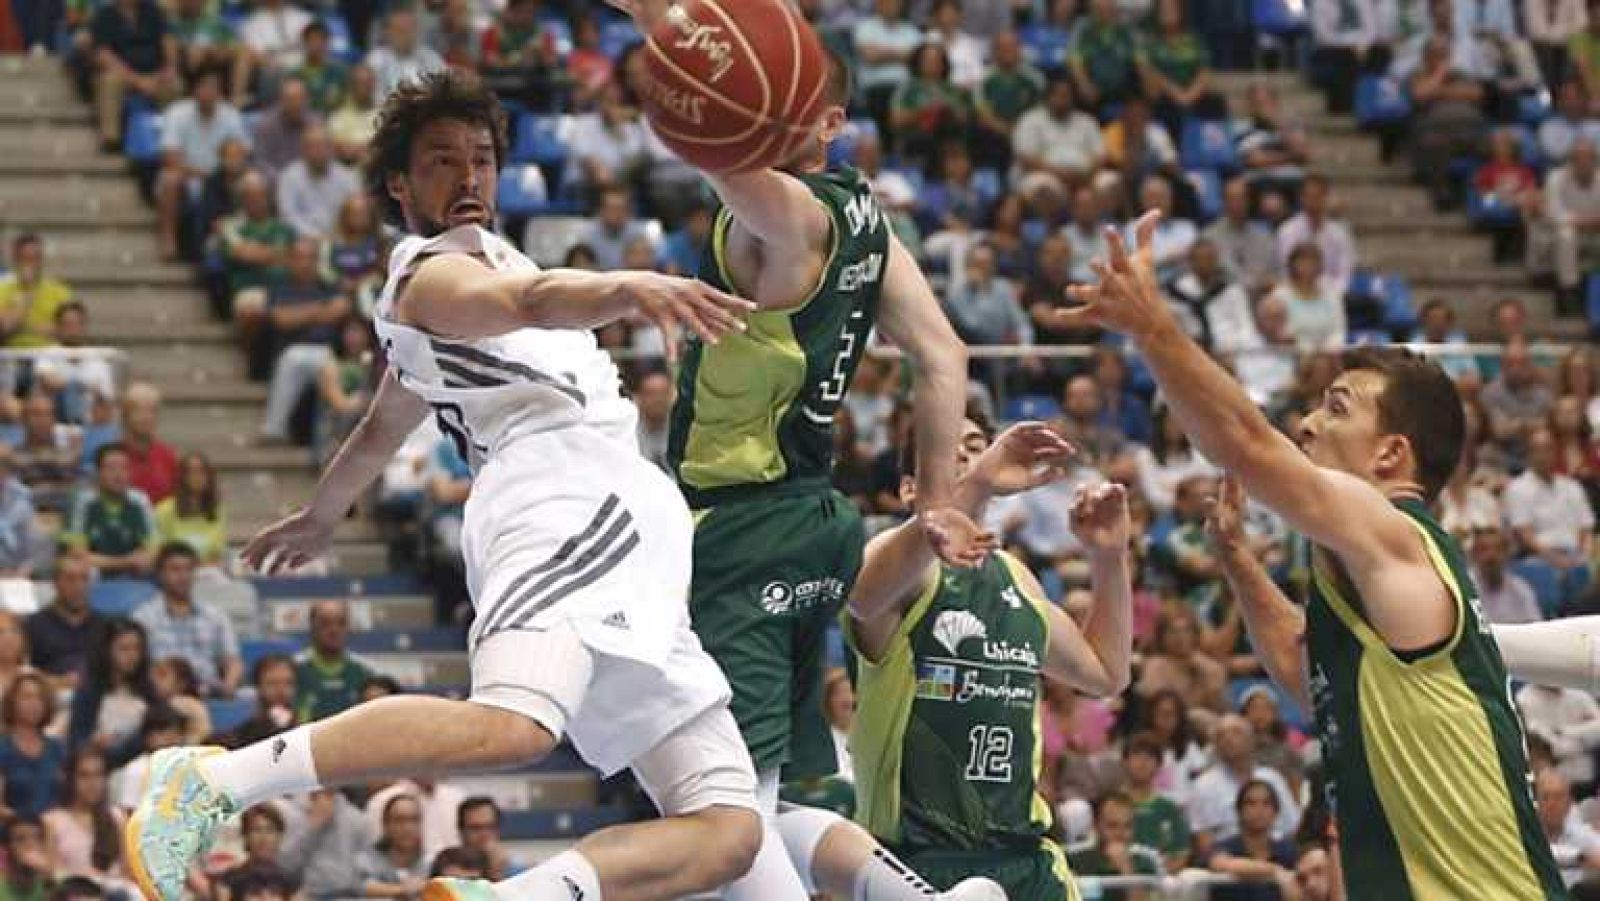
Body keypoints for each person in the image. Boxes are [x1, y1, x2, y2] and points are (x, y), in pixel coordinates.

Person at [126, 69, 768, 901]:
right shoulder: (430, 277)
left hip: (632, 533)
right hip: (563, 500)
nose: (469, 179)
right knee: (512, 724)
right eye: (441, 162)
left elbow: (382, 426)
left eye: (482, 159)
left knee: (727, 827)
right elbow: (530, 299)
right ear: (400, 183)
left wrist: (321, 515)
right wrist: (628, 285)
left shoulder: (473, 273)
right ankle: (216, 781)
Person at [601, 3, 998, 896]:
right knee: (768, 801)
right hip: (817, 523)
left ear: (825, 122)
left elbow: (720, 147)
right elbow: (945, 355)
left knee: (723, 814)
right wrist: (937, 502)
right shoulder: (867, 218)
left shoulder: (792, 220)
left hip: (742, 529)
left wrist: (682, 79)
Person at [1065, 214, 1566, 897]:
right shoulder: (1370, 579)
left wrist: (1153, 326)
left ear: (1391, 454)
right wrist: (1238, 558)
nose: (1307, 422)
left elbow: (1247, 439)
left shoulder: (1395, 527)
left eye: (1335, 408)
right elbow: (1307, 674)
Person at [843, 418, 1134, 899]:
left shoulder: (1016, 578)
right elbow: (862, 599)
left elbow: (1106, 672)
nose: (965, 456)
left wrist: (1108, 557)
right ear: (909, 488)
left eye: (976, 446)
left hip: (1024, 857)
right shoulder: (899, 568)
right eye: (946, 449)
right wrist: (975, 486)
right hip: (916, 863)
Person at [130, 544, 242, 698]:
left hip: (208, 691)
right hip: (163, 695)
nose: (183, 576)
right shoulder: (143, 618)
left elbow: (232, 660)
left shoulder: (215, 616)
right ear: (160, 574)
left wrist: (229, 686)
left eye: (189, 569)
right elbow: (137, 666)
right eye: (175, 569)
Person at [66, 619, 156, 768]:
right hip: (102, 766)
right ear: (106, 650)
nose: (132, 656)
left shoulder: (148, 690)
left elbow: (157, 729)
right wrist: (94, 743)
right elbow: (77, 739)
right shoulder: (90, 690)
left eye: (137, 648)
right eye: (124, 649)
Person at [66, 444, 157, 578]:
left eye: (124, 468)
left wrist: (142, 558)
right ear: (98, 472)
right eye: (111, 468)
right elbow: (77, 553)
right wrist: (126, 561)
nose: (118, 475)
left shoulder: (140, 500)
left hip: (133, 573)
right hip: (95, 575)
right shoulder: (83, 502)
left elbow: (153, 548)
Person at [1205, 779, 1301, 901]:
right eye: (1251, 803)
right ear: (1239, 810)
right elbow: (1220, 863)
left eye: (1266, 804)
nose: (1259, 810)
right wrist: (1274, 870)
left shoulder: (1288, 851)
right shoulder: (1224, 846)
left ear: (1276, 812)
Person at [1064, 793, 1164, 901]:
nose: (1121, 834)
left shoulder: (1146, 860)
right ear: (1096, 826)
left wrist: (1126, 868)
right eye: (1112, 826)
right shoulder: (1074, 859)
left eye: (1127, 826)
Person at [41, 749, 122, 880]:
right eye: (84, 775)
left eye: (99, 775)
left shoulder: (117, 817)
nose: (93, 783)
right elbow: (51, 874)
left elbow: (127, 874)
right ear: (71, 779)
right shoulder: (51, 821)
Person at [24, 554, 100, 687]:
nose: (79, 586)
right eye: (70, 579)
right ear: (55, 583)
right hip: (48, 698)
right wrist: (57, 682)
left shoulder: (105, 626)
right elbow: (21, 672)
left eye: (84, 579)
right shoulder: (33, 625)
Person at [294, 599, 372, 723]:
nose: (334, 630)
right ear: (312, 627)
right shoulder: (294, 669)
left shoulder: (364, 670)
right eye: (325, 623)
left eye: (341, 623)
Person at [0, 673, 66, 819]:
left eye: (39, 698)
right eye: (26, 697)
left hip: (55, 830)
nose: (34, 703)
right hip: (15, 831)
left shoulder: (57, 749)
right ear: (12, 702)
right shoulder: (3, 749)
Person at [0, 235, 75, 350]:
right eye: (25, 258)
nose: (30, 263)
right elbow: (5, 328)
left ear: (42, 260)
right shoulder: (3, 290)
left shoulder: (60, 292)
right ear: (15, 260)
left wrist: (25, 329)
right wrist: (27, 293)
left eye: (35, 258)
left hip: (49, 356)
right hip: (13, 355)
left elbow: (71, 332)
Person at [153, 453, 227, 568]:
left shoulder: (217, 510)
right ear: (182, 476)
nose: (197, 477)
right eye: (192, 472)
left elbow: (218, 553)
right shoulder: (164, 509)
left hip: (210, 572)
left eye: (202, 471)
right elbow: (159, 552)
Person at [119, 382, 179, 506]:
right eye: (138, 411)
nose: (146, 417)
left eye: (152, 411)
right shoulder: (112, 455)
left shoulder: (168, 456)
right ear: (125, 416)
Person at [357, 794, 429, 898]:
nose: (408, 827)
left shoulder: (430, 863)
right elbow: (359, 887)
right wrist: (403, 890)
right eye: (399, 820)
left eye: (414, 820)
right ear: (385, 825)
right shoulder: (365, 861)